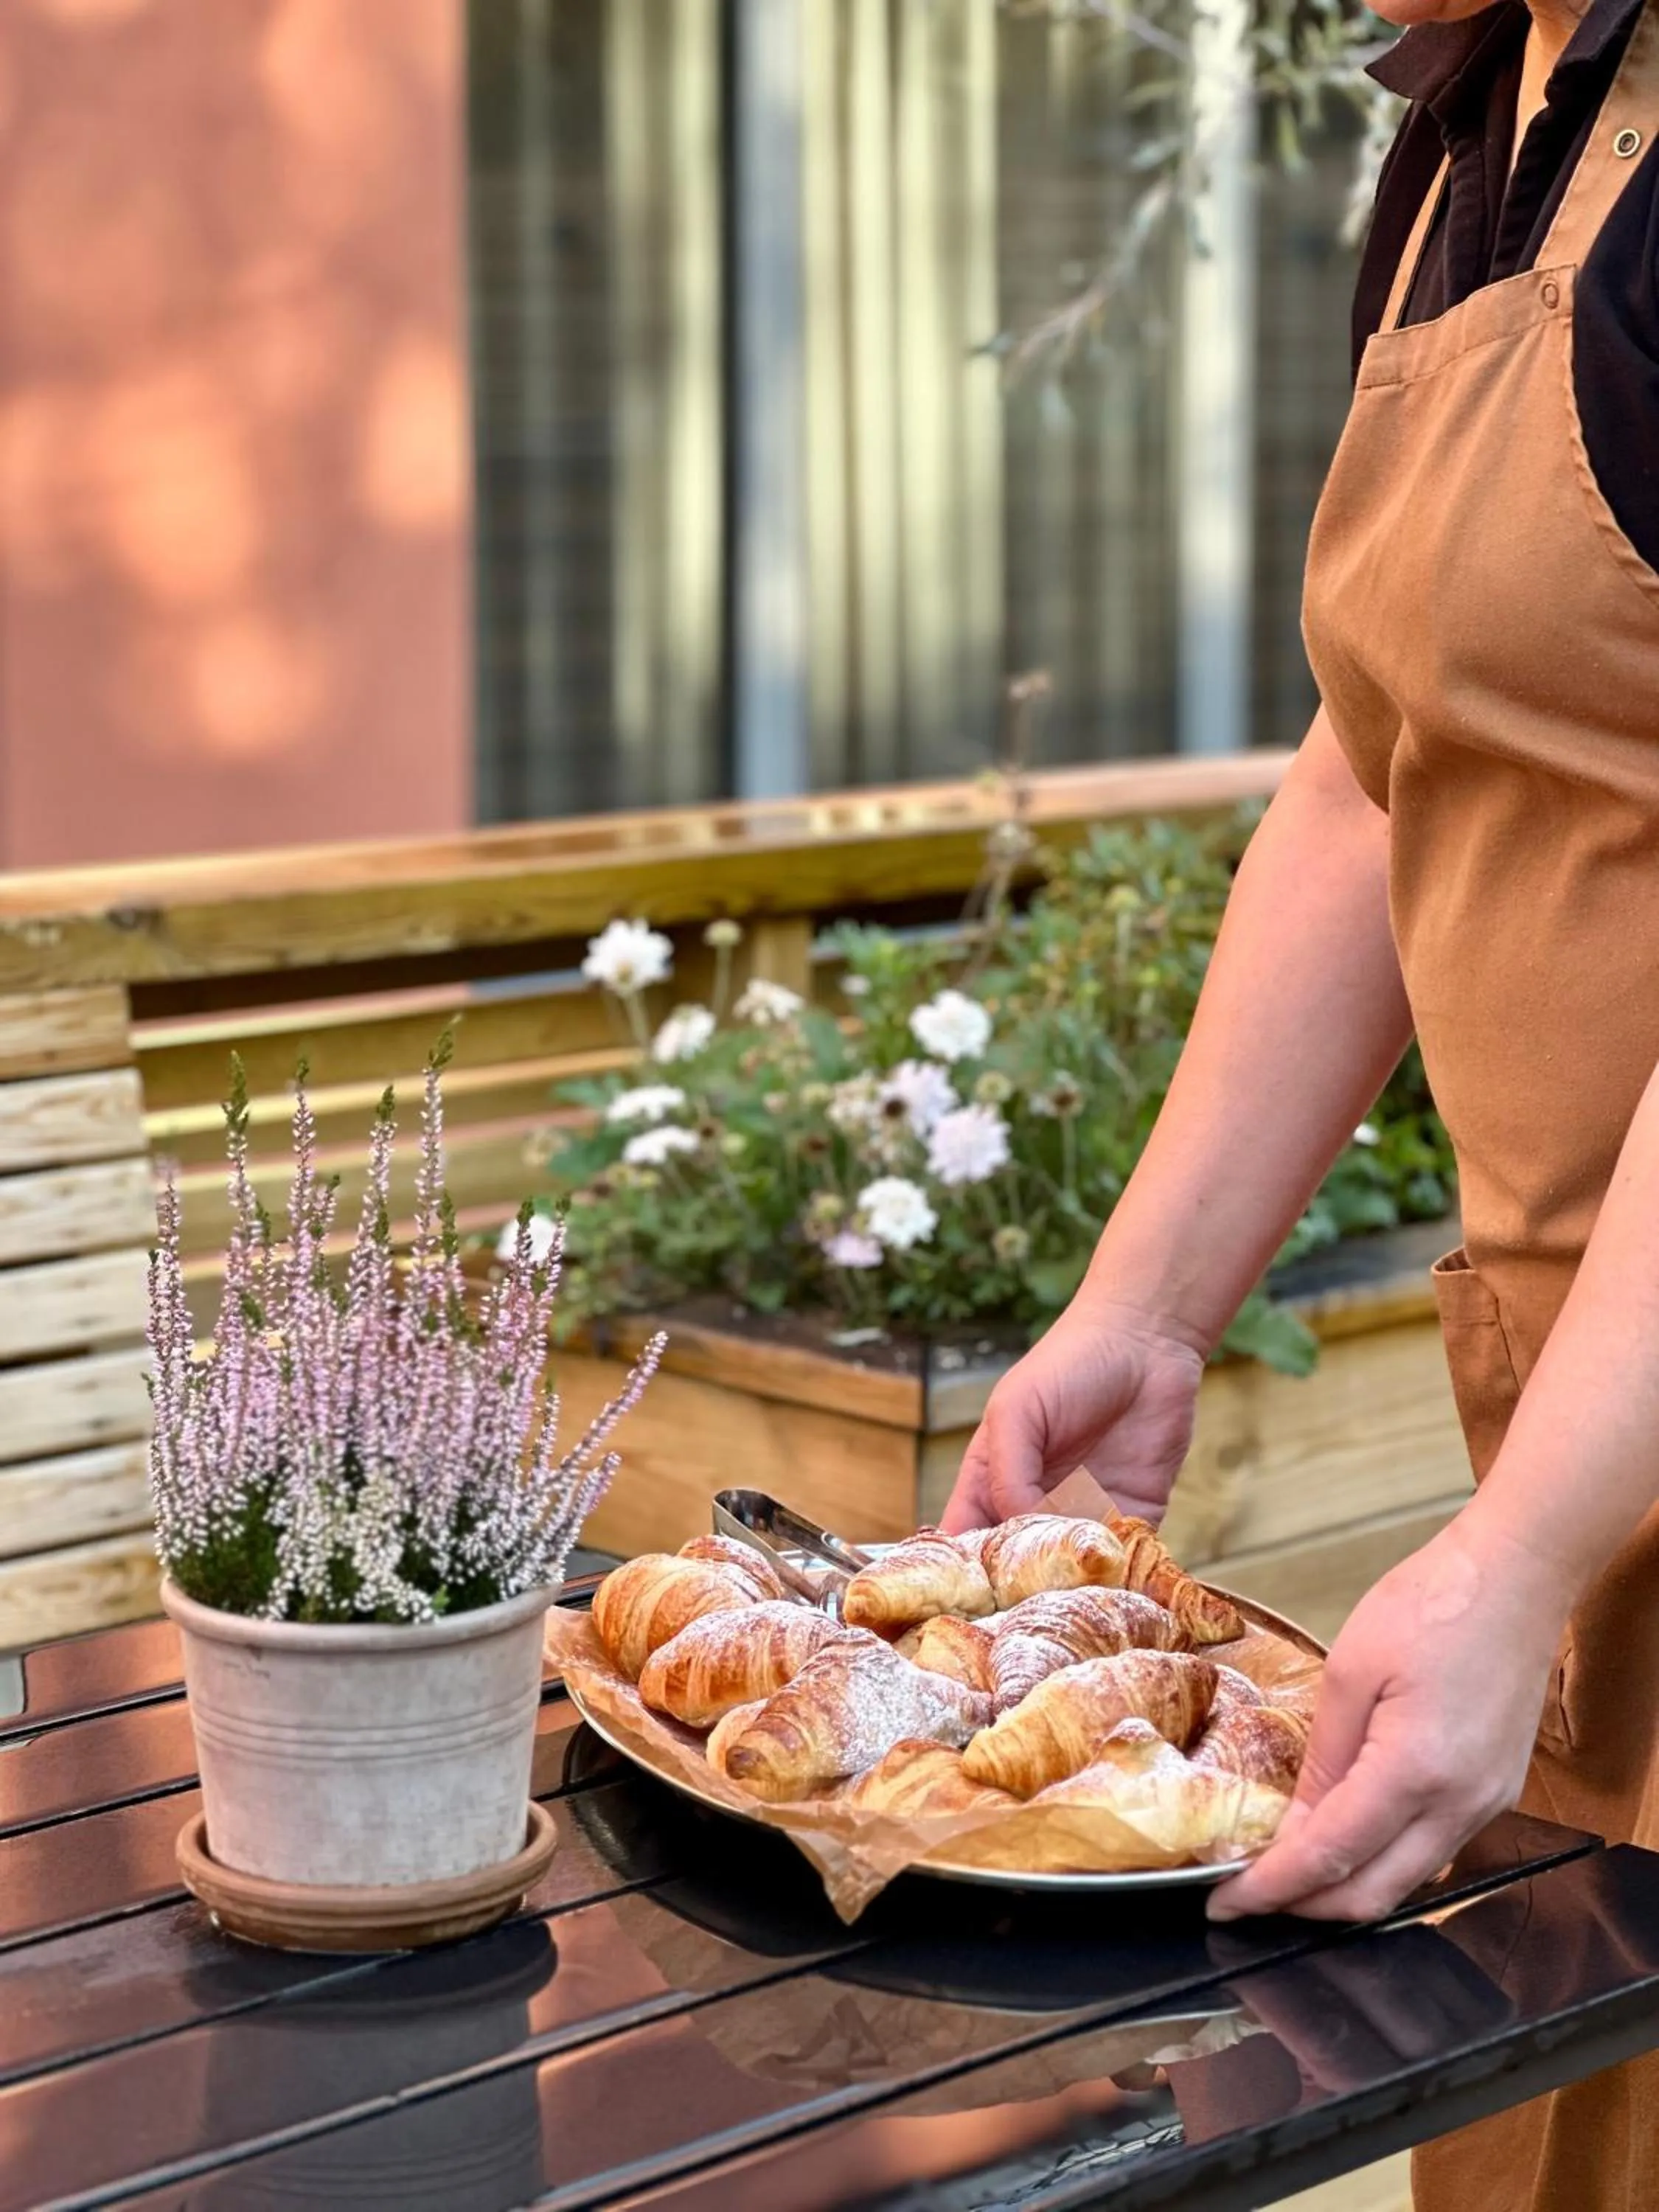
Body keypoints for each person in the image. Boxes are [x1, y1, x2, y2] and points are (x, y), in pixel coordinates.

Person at [942, 0, 1659, 2201]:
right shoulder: (1475, 121)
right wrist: (1144, 1311)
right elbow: (1378, 765)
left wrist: (1525, 1543)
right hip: (1585, 1436)